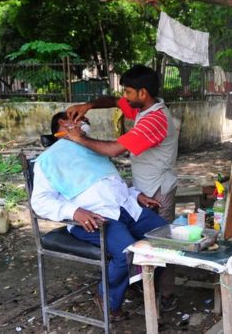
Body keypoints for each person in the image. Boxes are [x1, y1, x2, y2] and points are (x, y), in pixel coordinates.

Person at [31, 112, 167, 322]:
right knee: (127, 252)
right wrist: (74, 212)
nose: (83, 120)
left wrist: (136, 195)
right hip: (96, 218)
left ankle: (139, 284)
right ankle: (107, 296)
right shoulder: (47, 160)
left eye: (83, 118)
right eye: (75, 118)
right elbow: (40, 202)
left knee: (165, 237)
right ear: (61, 126)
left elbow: (111, 184)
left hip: (126, 208)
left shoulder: (92, 148)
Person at [65, 65, 179, 310]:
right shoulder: (144, 107)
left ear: (143, 93)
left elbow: (115, 149)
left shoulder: (155, 120)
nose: (124, 97)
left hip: (158, 189)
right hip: (139, 191)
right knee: (140, 244)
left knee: (162, 242)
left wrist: (80, 139)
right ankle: (140, 284)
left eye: (128, 92)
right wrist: (90, 106)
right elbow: (115, 101)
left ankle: (164, 296)